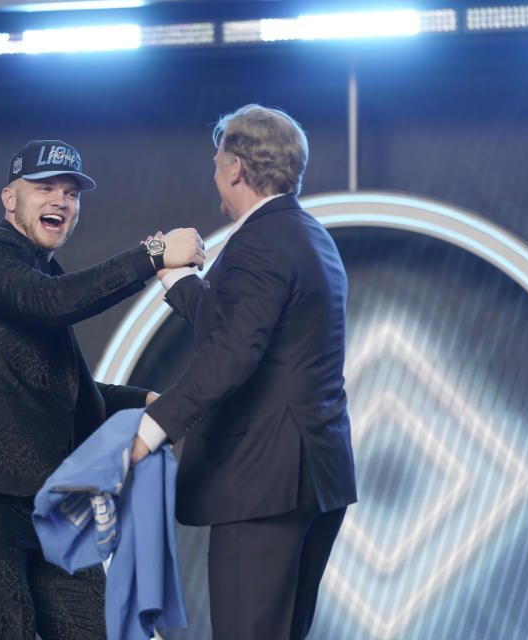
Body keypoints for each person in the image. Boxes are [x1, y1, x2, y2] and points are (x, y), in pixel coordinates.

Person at [0, 139, 204, 639]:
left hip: (47, 502)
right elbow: (54, 303)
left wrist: (146, 405)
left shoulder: (45, 273)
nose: (61, 201)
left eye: (70, 193)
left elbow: (70, 389)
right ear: (9, 198)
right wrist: (153, 254)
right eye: (44, 187)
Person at [133, 105, 357, 640]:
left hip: (265, 484)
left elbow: (233, 355)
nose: (215, 173)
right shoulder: (308, 236)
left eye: (216, 163)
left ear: (235, 167)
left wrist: (151, 428)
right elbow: (244, 330)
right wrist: (179, 282)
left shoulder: (257, 241)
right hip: (315, 480)